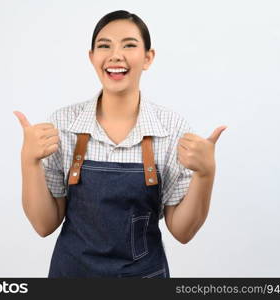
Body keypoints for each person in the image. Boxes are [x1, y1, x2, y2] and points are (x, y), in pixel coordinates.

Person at [14, 10, 226, 278]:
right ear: (92, 57)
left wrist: (206, 174)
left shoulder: (172, 129)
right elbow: (44, 225)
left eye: (129, 45)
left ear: (148, 58)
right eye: (105, 46)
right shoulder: (63, 124)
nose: (115, 55)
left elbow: (182, 232)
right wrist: (28, 162)